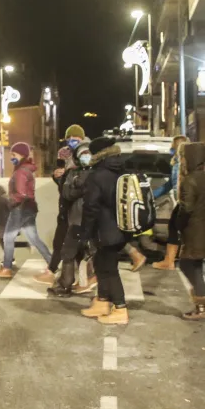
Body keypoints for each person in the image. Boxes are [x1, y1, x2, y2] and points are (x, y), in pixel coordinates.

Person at [80, 137, 131, 325]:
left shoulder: (98, 174)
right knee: (102, 266)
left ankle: (120, 308)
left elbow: (91, 207)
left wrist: (85, 234)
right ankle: (103, 301)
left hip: (105, 229)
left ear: (98, 154)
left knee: (109, 270)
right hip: (120, 228)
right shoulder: (120, 170)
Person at [0, 142, 54, 279]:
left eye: (14, 154)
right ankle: (51, 263)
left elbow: (20, 193)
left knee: (8, 238)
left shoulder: (20, 171)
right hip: (29, 208)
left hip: (20, 208)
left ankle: (6, 268)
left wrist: (10, 202)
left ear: (22, 155)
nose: (12, 157)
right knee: (34, 238)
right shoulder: (26, 169)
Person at [47, 140, 96, 297]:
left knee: (69, 253)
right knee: (80, 253)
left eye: (88, 154)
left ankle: (65, 285)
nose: (85, 157)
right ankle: (82, 282)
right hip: (83, 220)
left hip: (81, 220)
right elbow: (65, 191)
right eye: (83, 155)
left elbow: (68, 193)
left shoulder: (78, 174)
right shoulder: (85, 173)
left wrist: (75, 183)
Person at [41, 124, 87, 284]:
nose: (72, 141)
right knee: (65, 240)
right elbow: (61, 177)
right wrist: (57, 176)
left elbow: (83, 178)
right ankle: (71, 277)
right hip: (66, 201)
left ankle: (56, 273)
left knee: (68, 241)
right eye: (69, 138)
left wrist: (67, 175)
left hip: (77, 203)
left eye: (75, 139)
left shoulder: (85, 153)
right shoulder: (64, 152)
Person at [174, 142, 205, 319]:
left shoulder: (190, 180)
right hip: (201, 229)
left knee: (187, 264)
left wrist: (178, 225)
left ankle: (201, 306)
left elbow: (186, 209)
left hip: (194, 231)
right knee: (196, 266)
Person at [153, 135, 189, 270]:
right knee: (175, 228)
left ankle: (171, 261)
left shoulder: (184, 163)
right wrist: (153, 195)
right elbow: (171, 184)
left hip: (186, 201)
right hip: (182, 201)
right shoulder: (178, 162)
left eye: (173, 146)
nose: (171, 149)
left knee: (178, 229)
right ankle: (170, 261)